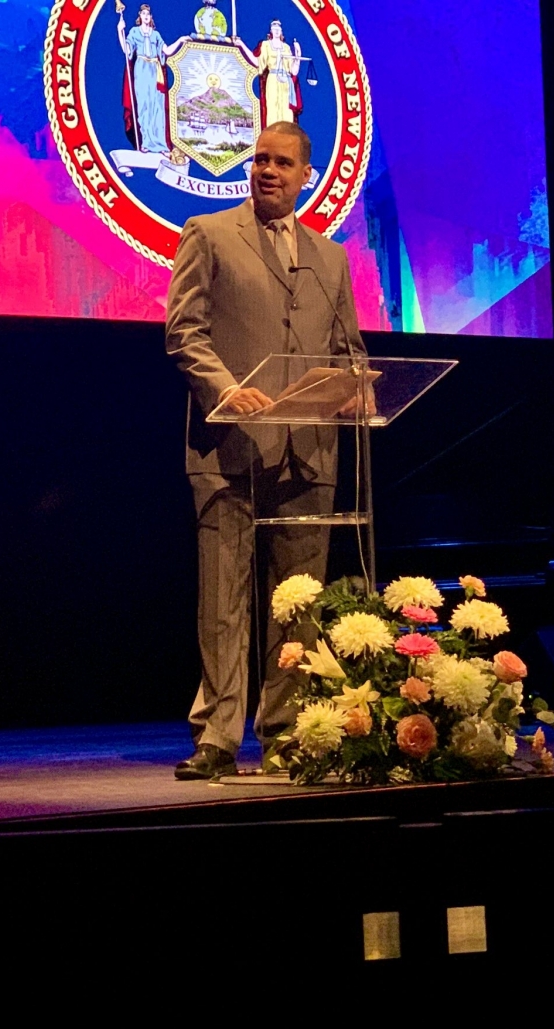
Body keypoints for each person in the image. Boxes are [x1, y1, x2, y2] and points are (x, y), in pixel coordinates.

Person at [165, 122, 366, 780]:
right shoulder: (210, 233)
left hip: (308, 453)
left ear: (306, 174)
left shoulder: (331, 257)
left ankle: (285, 730)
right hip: (229, 449)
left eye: (282, 162)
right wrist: (228, 391)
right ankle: (217, 735)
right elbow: (184, 332)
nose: (267, 171)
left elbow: (347, 349)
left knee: (297, 603)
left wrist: (356, 388)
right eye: (259, 160)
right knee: (223, 601)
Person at [117, 4, 186, 154]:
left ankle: (160, 144)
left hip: (155, 71)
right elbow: (127, 50)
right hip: (141, 69)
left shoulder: (156, 35)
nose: (146, 16)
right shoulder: (135, 32)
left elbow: (166, 51)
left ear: (151, 17)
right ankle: (146, 143)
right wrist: (120, 30)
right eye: (143, 13)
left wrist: (180, 40)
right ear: (140, 16)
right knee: (144, 106)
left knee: (158, 108)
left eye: (148, 14)